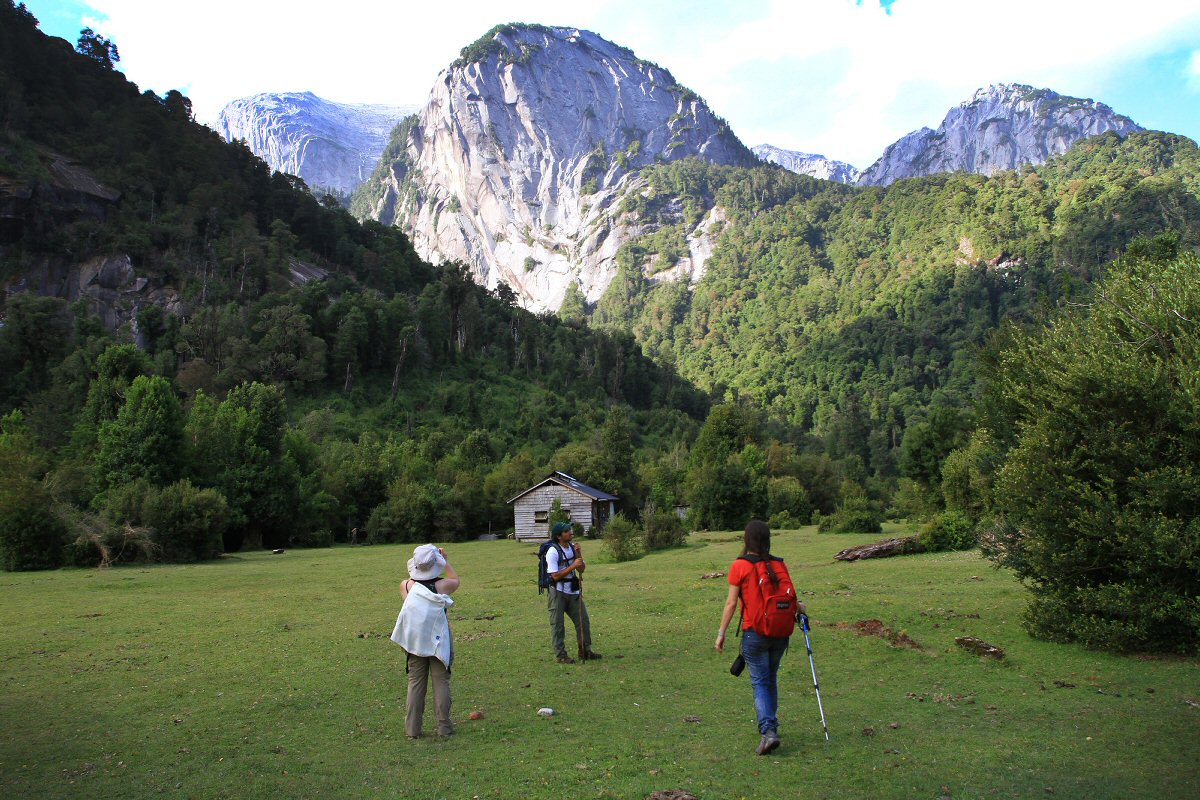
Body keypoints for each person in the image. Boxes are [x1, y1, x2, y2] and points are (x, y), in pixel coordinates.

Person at [715, 519, 806, 755]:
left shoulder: (740, 565)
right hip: (780, 633)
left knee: (759, 681)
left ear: (746, 539)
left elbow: (731, 603)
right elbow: (790, 598)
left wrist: (721, 633)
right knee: (770, 678)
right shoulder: (779, 564)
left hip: (754, 633)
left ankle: (768, 731)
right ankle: (771, 725)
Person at [390, 543, 460, 738]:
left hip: (415, 641)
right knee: (441, 682)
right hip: (439, 641)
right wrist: (445, 560)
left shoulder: (405, 586)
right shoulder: (442, 586)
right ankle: (444, 728)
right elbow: (456, 580)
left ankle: (412, 729)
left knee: (415, 683)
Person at [545, 521, 601, 664]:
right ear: (558, 536)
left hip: (573, 591)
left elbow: (581, 569)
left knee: (583, 621)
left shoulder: (572, 547)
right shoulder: (552, 551)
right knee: (557, 625)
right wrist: (572, 567)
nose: (571, 532)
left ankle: (585, 651)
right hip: (557, 592)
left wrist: (579, 554)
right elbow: (555, 576)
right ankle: (561, 656)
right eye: (566, 531)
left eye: (570, 530)